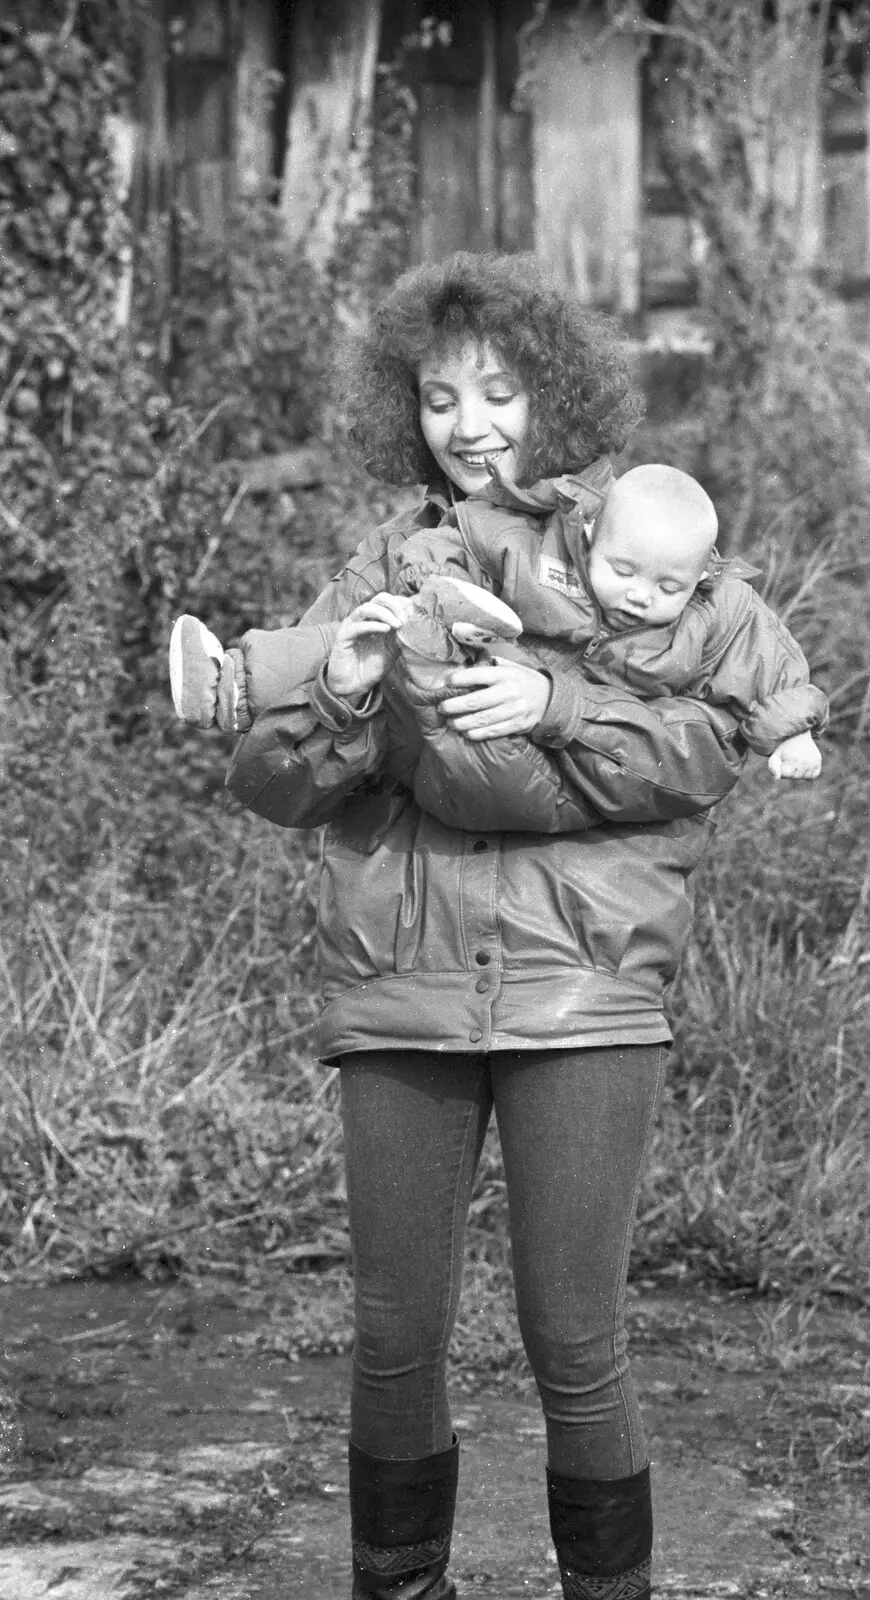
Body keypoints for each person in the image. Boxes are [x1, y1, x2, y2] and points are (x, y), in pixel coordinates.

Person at [220, 251, 759, 1600]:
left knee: (574, 1335)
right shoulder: (381, 564)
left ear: (555, 397)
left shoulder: (633, 551)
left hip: (583, 988)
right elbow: (272, 779)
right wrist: (348, 700)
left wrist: (557, 708)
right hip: (401, 982)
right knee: (395, 1334)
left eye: (501, 393)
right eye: (441, 397)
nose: (470, 425)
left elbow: (705, 746)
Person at [170, 467, 826, 785]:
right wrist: (434, 586)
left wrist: (789, 734)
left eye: (667, 587)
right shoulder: (535, 548)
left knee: (401, 648)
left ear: (700, 578)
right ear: (592, 537)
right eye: (624, 570)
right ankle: (234, 681)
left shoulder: (715, 613)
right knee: (370, 634)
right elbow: (459, 538)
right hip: (467, 647)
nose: (639, 596)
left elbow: (769, 661)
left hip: (536, 718)